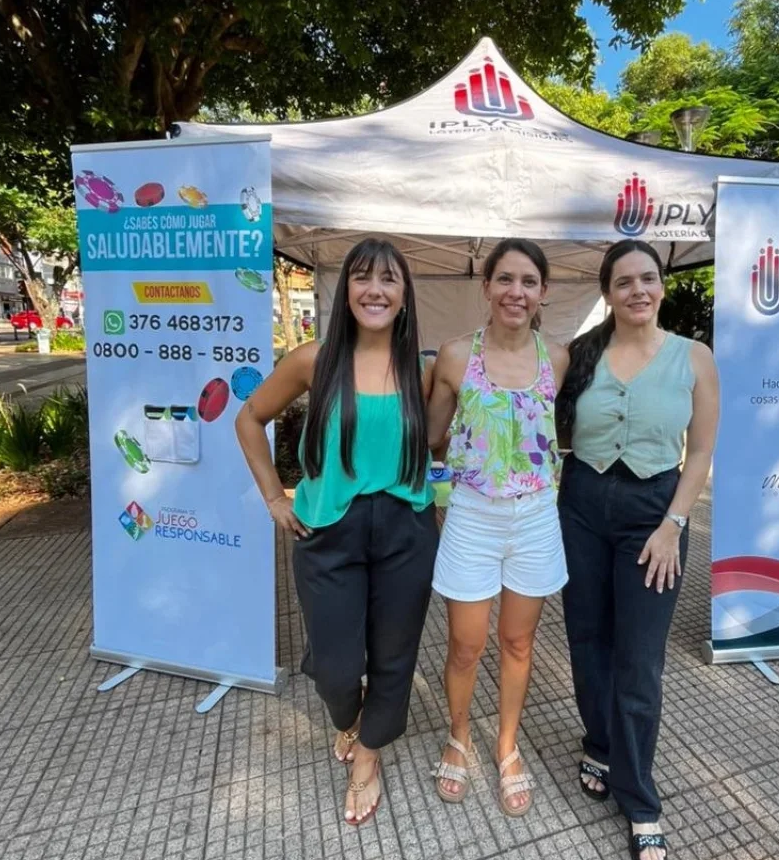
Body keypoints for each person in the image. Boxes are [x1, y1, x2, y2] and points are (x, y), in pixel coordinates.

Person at [235, 238, 438, 827]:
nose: (376, 290)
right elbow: (249, 417)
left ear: (405, 295)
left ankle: (369, 754)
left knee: (395, 655)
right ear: (345, 289)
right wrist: (274, 497)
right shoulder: (313, 360)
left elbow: (442, 439)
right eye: (363, 277)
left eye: (389, 280)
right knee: (335, 666)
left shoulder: (422, 372)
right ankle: (349, 718)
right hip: (328, 530)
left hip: (406, 529)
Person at [555, 239, 719, 860]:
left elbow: (699, 451)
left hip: (655, 513)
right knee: (587, 638)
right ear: (607, 292)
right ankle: (598, 742)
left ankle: (640, 798)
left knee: (640, 659)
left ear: (662, 285)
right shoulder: (580, 354)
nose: (637, 291)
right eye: (623, 282)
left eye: (647, 278)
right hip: (581, 506)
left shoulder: (693, 357)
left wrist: (673, 525)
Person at [426, 238, 570, 817]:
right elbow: (432, 436)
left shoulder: (557, 357)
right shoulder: (456, 356)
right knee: (466, 645)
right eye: (505, 279)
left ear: (543, 292)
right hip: (473, 515)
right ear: (486, 287)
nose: (516, 291)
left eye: (528, 281)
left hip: (535, 517)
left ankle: (507, 744)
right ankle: (458, 735)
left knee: (518, 642)